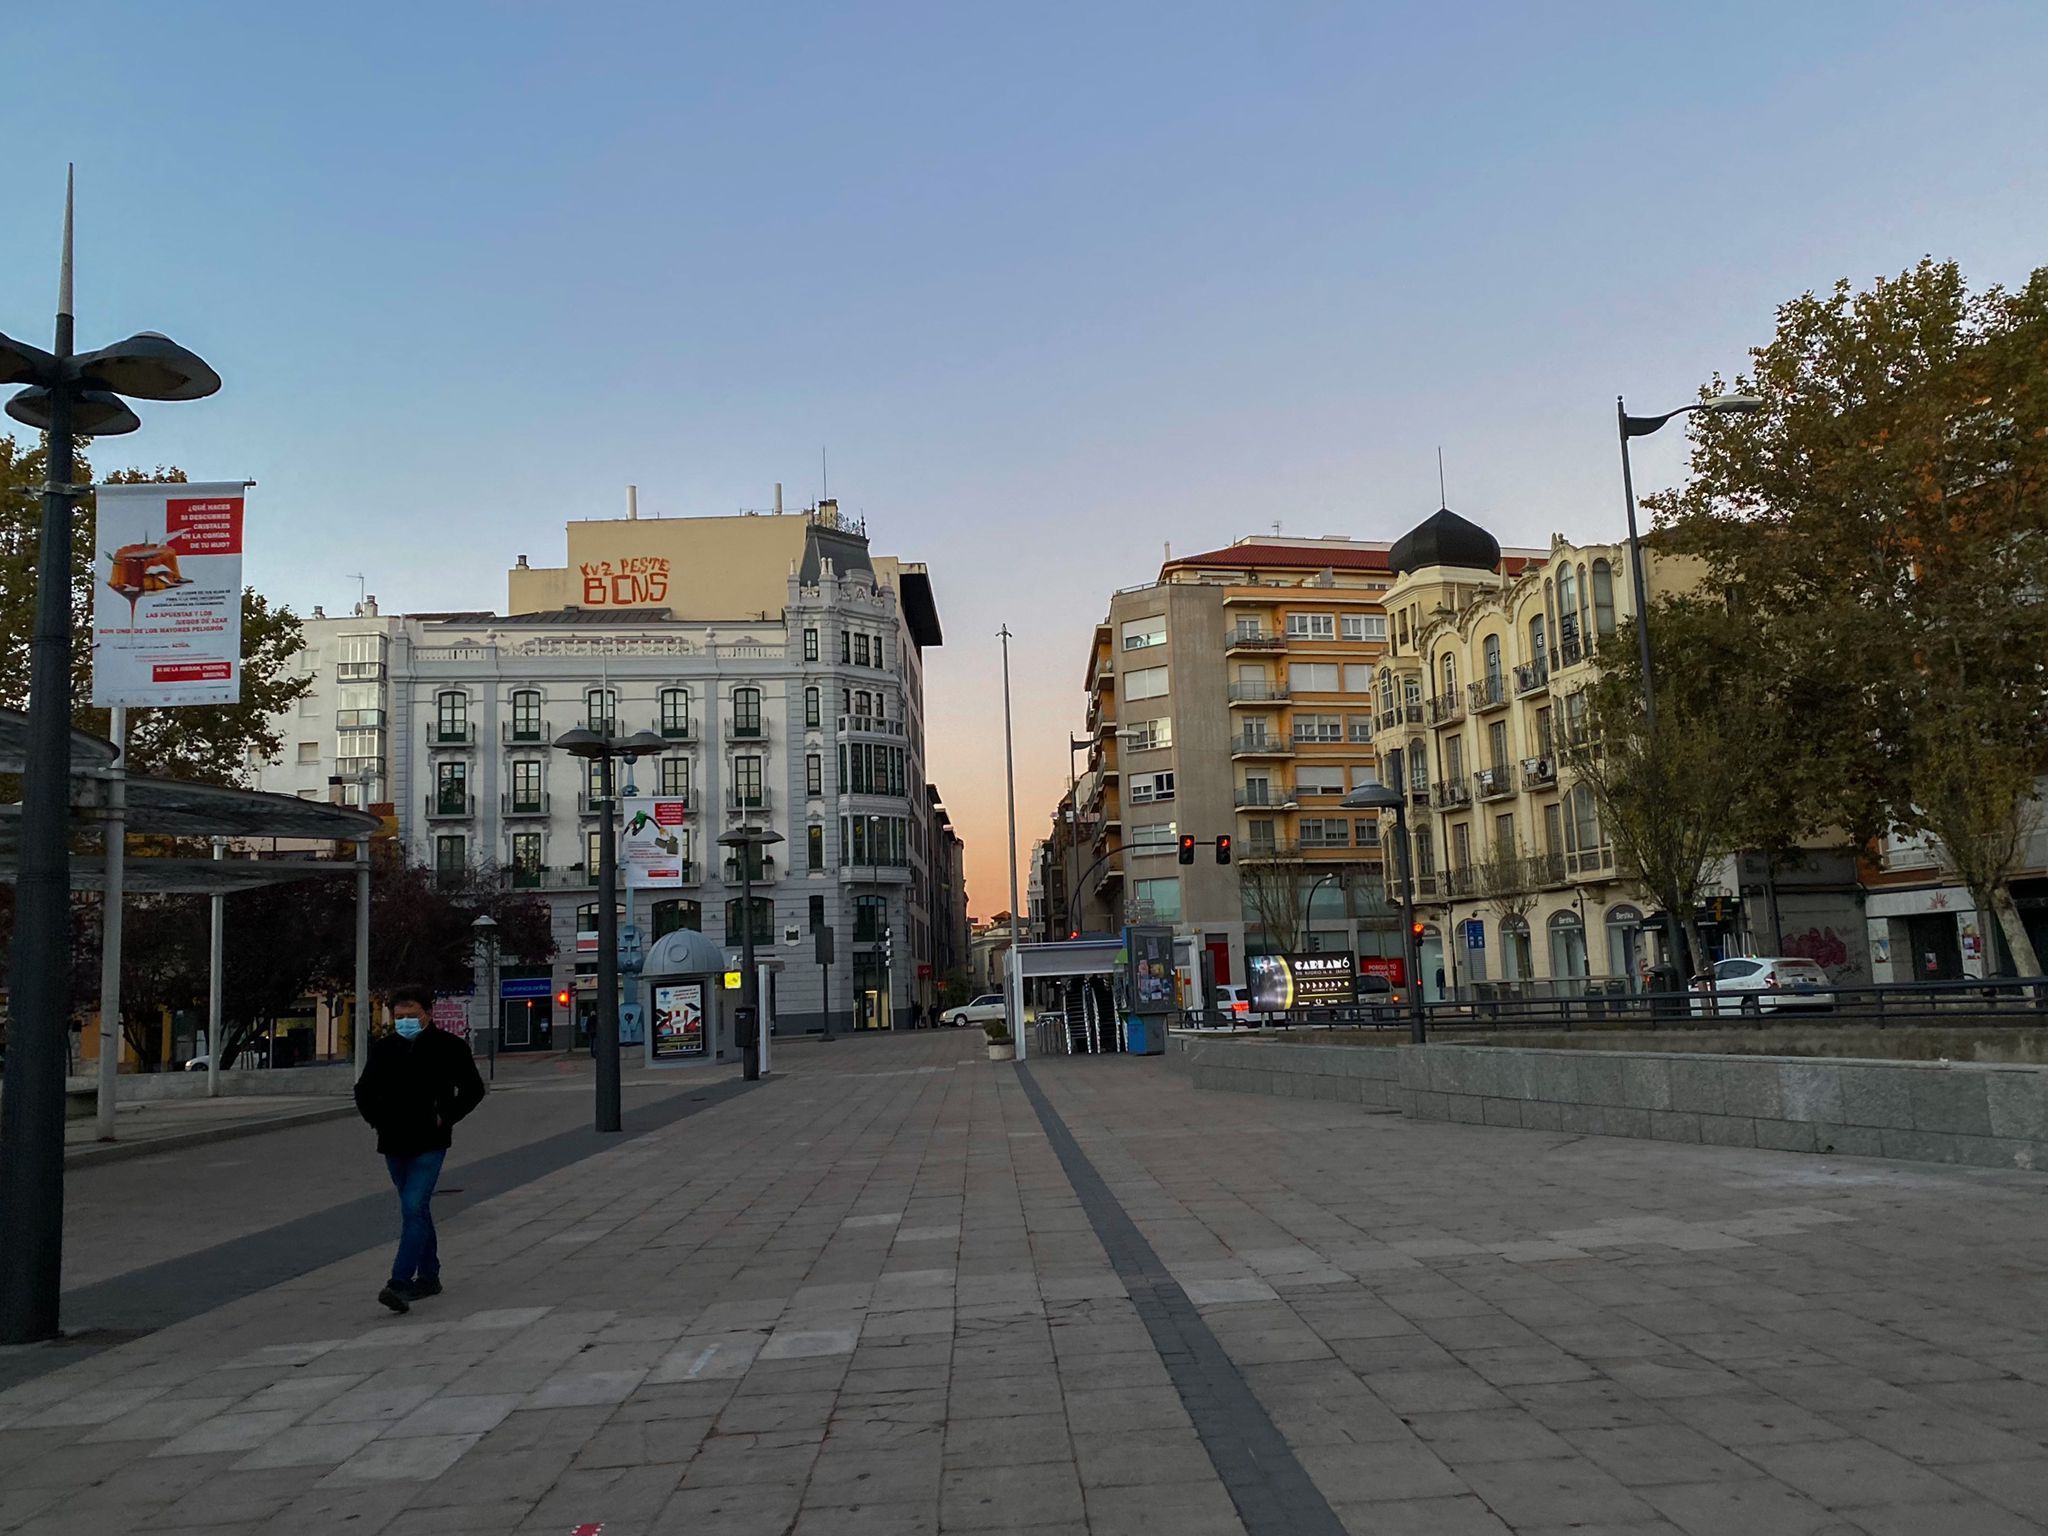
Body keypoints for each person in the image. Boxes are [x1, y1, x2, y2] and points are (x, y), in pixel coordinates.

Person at [353, 985, 486, 1313]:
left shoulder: (449, 1047)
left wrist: (447, 1116)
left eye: (412, 1016)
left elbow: (473, 1089)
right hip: (394, 1142)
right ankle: (429, 1275)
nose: (405, 1022)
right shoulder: (385, 1049)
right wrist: (378, 1120)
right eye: (399, 1017)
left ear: (429, 1012)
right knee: (418, 1209)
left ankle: (399, 1282)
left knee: (413, 1207)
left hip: (430, 1141)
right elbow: (364, 1090)